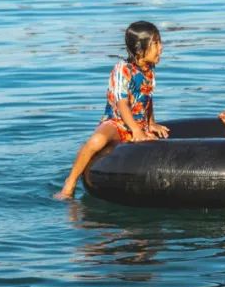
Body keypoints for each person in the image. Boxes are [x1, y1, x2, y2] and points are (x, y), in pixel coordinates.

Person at [56, 21, 168, 199]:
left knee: (110, 154)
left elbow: (148, 97)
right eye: (156, 43)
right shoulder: (122, 69)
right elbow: (122, 104)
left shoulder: (149, 70)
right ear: (140, 50)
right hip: (117, 122)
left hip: (138, 124)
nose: (161, 48)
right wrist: (136, 130)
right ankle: (69, 184)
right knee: (97, 140)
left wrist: (151, 123)